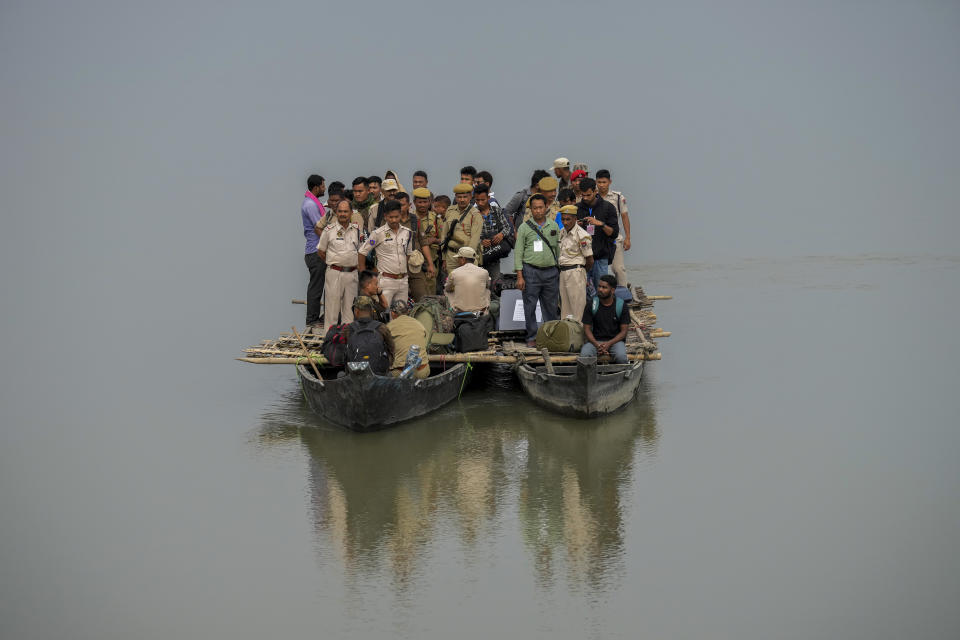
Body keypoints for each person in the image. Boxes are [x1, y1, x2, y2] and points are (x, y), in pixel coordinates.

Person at [514, 194, 560, 346]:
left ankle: (551, 336)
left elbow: (557, 249)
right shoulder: (524, 227)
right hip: (530, 271)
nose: (538, 211)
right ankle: (532, 337)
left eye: (541, 207)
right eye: (535, 208)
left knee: (551, 307)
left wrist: (558, 269)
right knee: (530, 305)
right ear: (531, 210)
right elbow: (518, 253)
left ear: (546, 207)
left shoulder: (553, 226)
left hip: (551, 271)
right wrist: (520, 276)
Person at [358, 200, 415, 306]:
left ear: (400, 215)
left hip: (403, 280)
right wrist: (363, 274)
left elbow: (408, 254)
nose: (394, 220)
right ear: (385, 216)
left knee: (401, 312)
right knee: (385, 312)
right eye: (390, 217)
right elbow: (362, 252)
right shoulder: (378, 234)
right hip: (386, 280)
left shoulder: (407, 233)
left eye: (396, 217)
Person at [317, 200, 363, 325]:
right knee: (332, 311)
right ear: (336, 213)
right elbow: (321, 251)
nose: (343, 214)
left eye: (345, 211)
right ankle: (329, 342)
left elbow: (361, 251)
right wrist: (335, 262)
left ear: (351, 213)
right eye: (340, 211)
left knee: (349, 312)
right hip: (334, 273)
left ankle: (346, 343)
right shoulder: (329, 230)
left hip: (352, 274)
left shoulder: (357, 230)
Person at [575, 177, 619, 294]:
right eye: (582, 195)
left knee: (603, 292)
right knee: (581, 292)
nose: (585, 198)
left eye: (588, 195)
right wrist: (575, 226)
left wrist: (600, 224)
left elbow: (614, 233)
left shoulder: (608, 207)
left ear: (595, 191)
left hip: (600, 258)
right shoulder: (576, 208)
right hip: (582, 259)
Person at [580, 275, 630, 364]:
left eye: (604, 287)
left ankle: (622, 374)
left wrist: (609, 344)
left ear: (613, 290)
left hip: (615, 341)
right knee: (584, 356)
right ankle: (588, 376)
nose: (600, 289)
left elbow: (623, 332)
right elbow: (586, 329)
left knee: (621, 357)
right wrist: (597, 345)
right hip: (595, 342)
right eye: (599, 286)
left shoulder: (621, 305)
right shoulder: (591, 304)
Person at [557, 205, 594, 320]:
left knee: (577, 307)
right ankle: (567, 334)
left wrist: (581, 272)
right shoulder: (562, 232)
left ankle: (579, 334)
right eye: (563, 219)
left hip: (576, 271)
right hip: (563, 272)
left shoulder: (582, 235)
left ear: (575, 219)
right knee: (565, 308)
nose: (565, 222)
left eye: (568, 219)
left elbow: (590, 260)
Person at [596, 169, 632, 287]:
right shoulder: (592, 197)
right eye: (599, 182)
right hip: (598, 239)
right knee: (600, 268)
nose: (601, 185)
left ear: (610, 182)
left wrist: (628, 238)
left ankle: (624, 294)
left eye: (604, 182)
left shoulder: (617, 197)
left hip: (614, 238)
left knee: (618, 269)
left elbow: (624, 217)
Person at [301, 174, 327, 331]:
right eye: (323, 186)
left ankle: (317, 318)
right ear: (316, 187)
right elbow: (319, 227)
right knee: (316, 287)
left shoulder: (312, 202)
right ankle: (312, 319)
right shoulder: (310, 204)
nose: (324, 189)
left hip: (317, 250)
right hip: (315, 251)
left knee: (321, 285)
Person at [345, 295, 395, 375]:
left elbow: (344, 355)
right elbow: (391, 349)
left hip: (355, 375)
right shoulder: (382, 328)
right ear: (372, 311)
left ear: (356, 311)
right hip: (378, 375)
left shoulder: (348, 329)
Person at [441, 182, 483, 275]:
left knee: (468, 285)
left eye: (465, 197)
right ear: (456, 197)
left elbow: (474, 240)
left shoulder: (475, 214)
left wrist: (466, 258)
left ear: (470, 197)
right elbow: (444, 235)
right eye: (459, 197)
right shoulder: (450, 210)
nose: (462, 200)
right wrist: (444, 258)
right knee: (452, 286)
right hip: (451, 255)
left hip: (467, 258)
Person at [386, 299, 430, 379]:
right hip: (422, 371)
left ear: (392, 313)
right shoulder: (419, 324)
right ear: (407, 311)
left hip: (401, 373)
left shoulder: (389, 326)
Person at [475, 184, 512, 280]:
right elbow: (468, 235)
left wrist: (501, 235)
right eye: (477, 200)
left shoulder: (497, 210)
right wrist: (480, 241)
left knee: (495, 283)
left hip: (495, 254)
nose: (480, 203)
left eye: (483, 200)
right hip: (479, 256)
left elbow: (507, 228)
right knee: (480, 284)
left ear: (488, 198)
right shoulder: (473, 214)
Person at [444, 247, 491, 313]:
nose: (457, 260)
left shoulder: (454, 272)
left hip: (461, 310)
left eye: (459, 258)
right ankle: (485, 311)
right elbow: (488, 285)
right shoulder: (484, 272)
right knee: (487, 290)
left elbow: (447, 289)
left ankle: (453, 310)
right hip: (481, 310)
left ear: (463, 259)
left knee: (447, 292)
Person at [412, 187, 441, 294]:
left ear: (430, 202)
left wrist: (433, 240)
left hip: (431, 263)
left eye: (425, 202)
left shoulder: (435, 218)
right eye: (420, 202)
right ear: (414, 202)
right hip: (414, 264)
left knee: (430, 294)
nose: (422, 205)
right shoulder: (410, 218)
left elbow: (443, 239)